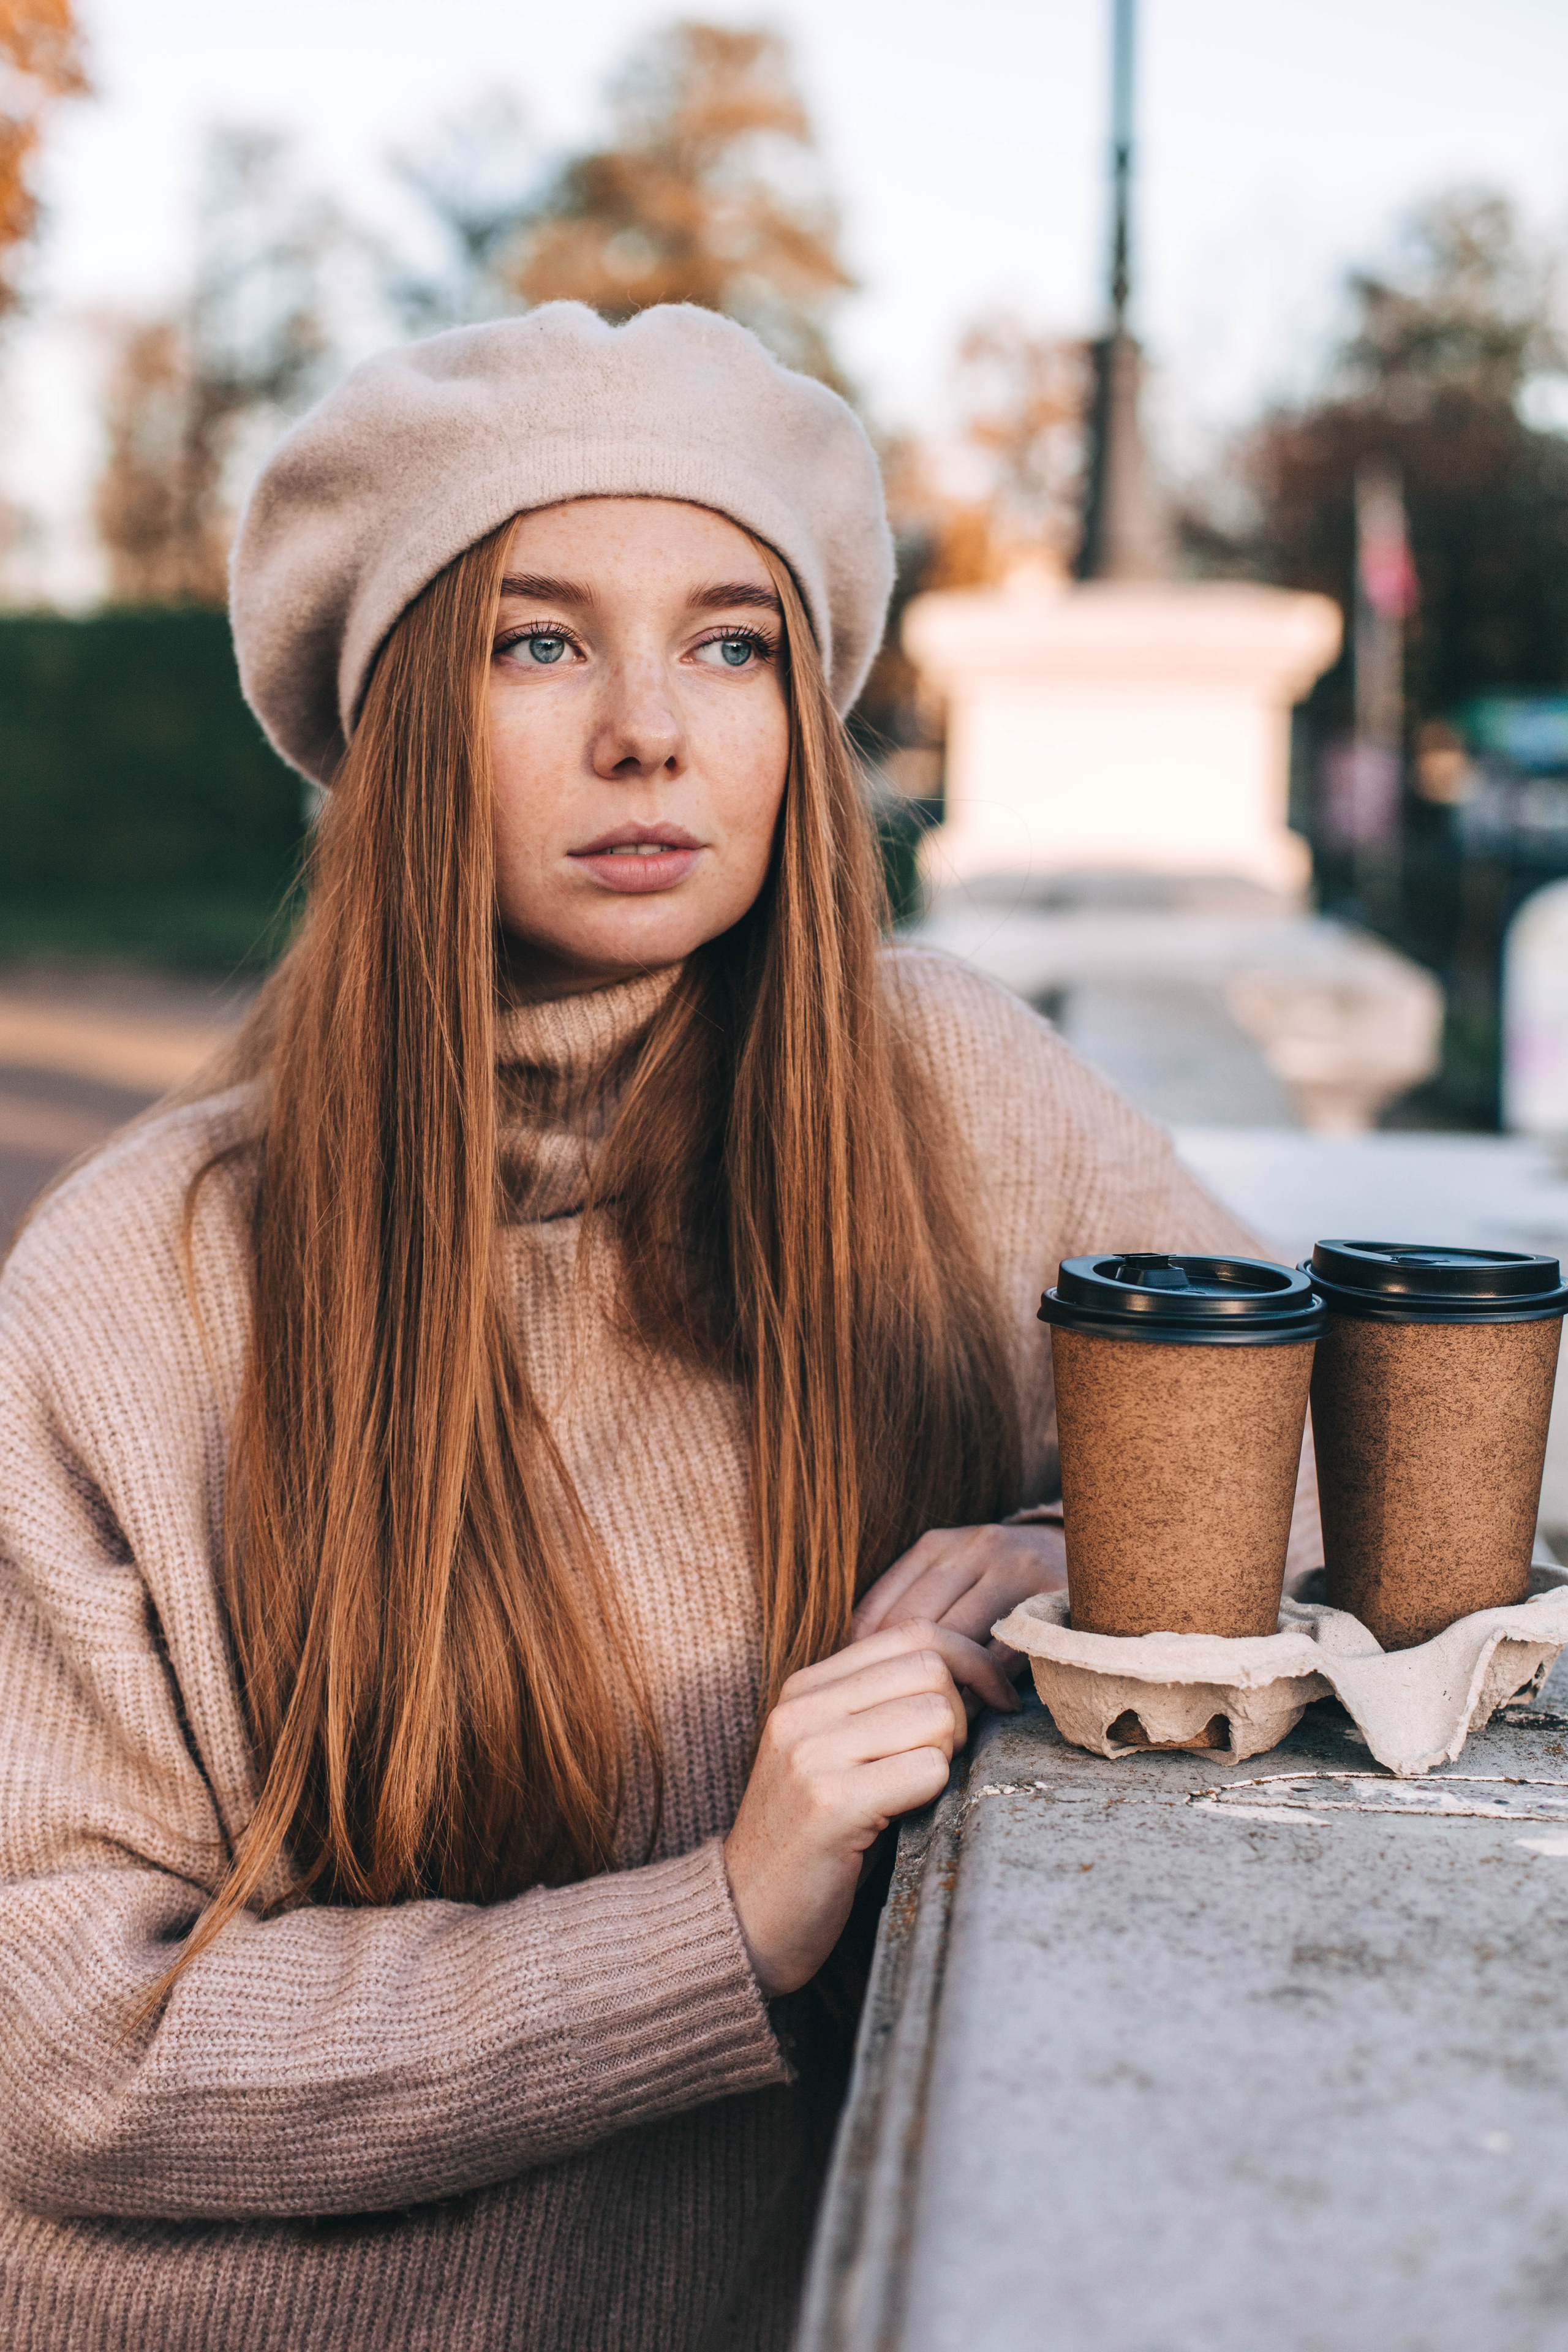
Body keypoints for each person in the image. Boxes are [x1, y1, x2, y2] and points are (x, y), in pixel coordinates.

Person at [0, 304, 1314, 2351]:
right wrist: (710, 1927)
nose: (652, 733)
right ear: (401, 722)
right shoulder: (136, 1281)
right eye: (539, 642)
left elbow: (1402, 1441)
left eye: (731, 642)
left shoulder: (942, 1092)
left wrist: (1115, 1550)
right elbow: (61, 2044)